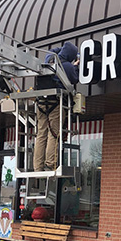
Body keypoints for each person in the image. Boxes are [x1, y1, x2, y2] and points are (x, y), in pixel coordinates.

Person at [34, 42, 79, 172]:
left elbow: (52, 50)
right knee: (53, 134)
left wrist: (61, 50)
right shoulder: (67, 66)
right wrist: (75, 66)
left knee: (41, 134)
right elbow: (74, 79)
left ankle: (37, 167)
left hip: (41, 102)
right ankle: (50, 164)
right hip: (56, 103)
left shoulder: (49, 59)